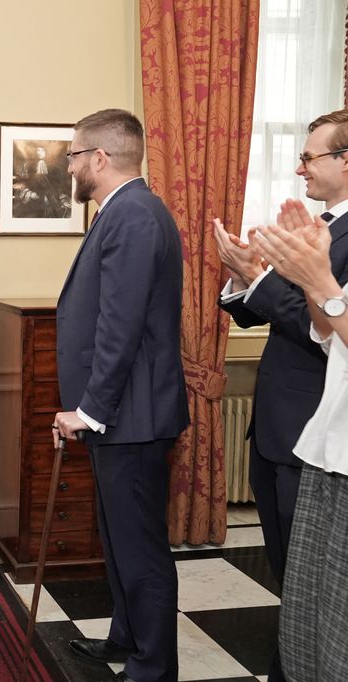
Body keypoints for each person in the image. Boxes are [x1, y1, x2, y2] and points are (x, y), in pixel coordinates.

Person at [53, 109, 189, 682]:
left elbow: (120, 325)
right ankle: (127, 638)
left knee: (141, 550)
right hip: (123, 417)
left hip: (130, 416)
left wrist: (88, 411)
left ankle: (152, 668)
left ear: (99, 159)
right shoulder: (124, 212)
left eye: (74, 157)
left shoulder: (132, 215)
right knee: (119, 539)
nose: (71, 167)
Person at [212, 109, 348, 682]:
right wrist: (246, 277)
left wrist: (272, 281)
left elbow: (320, 332)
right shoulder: (321, 227)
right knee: (291, 578)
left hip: (314, 432)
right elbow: (270, 315)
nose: (299, 169)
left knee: (311, 580)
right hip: (279, 427)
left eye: (309, 157)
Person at [249, 198, 348, 682]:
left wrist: (322, 281)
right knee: (309, 611)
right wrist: (314, 276)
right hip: (326, 448)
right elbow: (328, 333)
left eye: (312, 157)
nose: (301, 170)